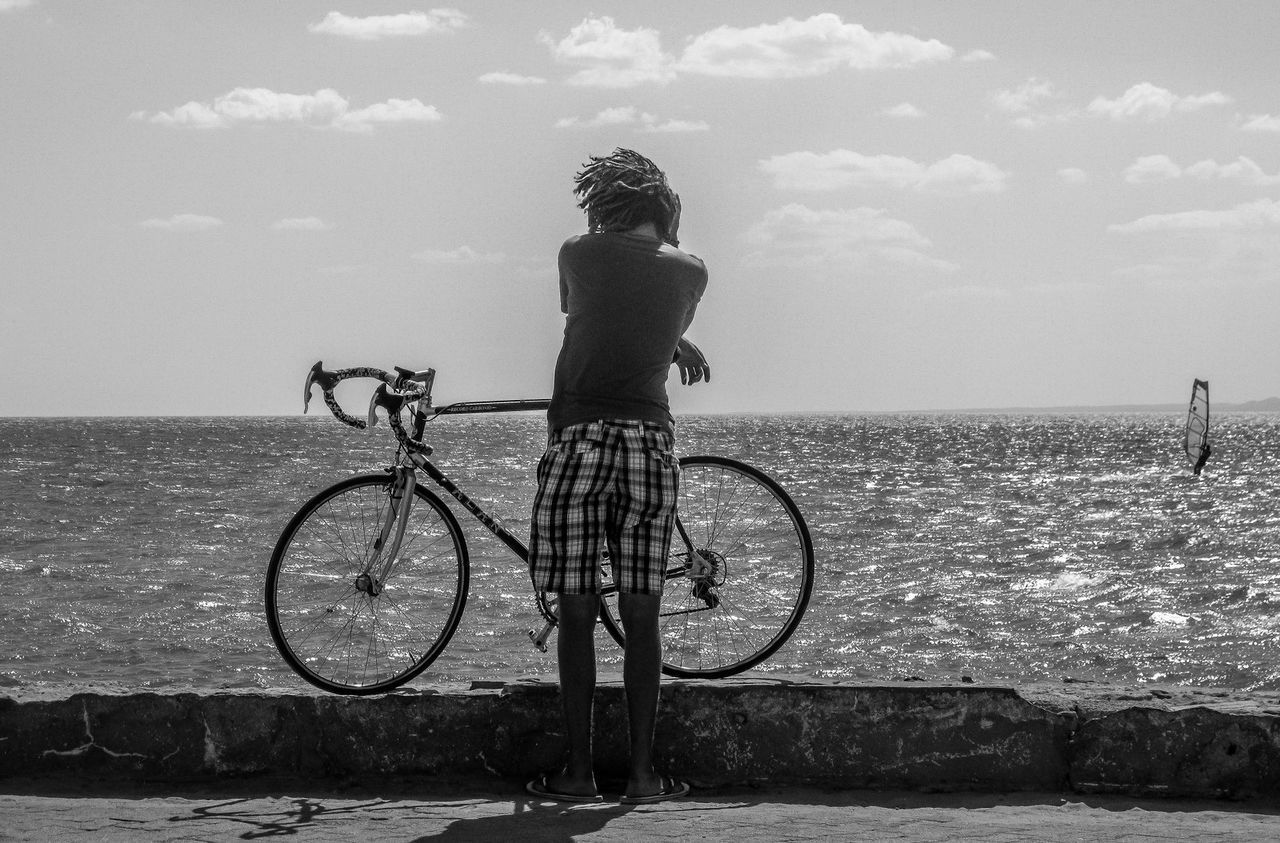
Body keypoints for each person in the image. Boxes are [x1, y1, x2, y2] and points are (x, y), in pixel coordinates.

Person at [526, 148, 710, 805]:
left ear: (607, 204)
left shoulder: (576, 252)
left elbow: (588, 313)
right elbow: (650, 323)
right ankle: (642, 776)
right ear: (665, 214)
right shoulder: (692, 271)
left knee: (576, 613)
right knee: (642, 611)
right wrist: (678, 341)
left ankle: (576, 773)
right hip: (647, 443)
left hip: (578, 438)